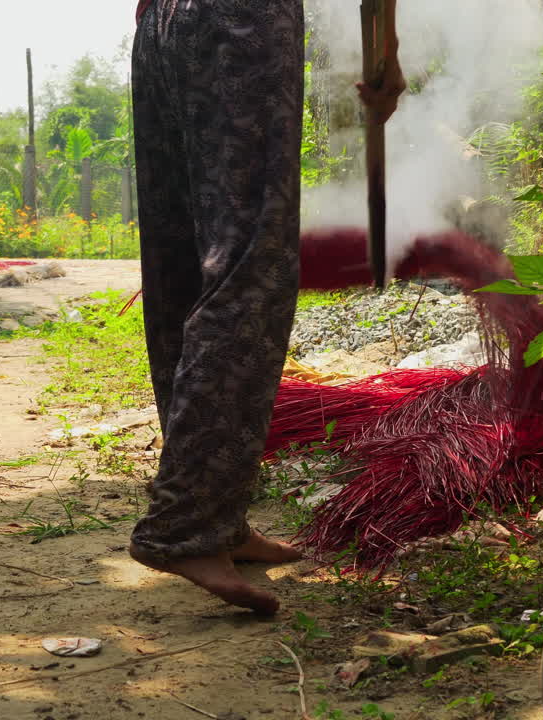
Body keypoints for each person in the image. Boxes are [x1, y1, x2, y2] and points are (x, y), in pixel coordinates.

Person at [128, 0, 406, 615]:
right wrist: (387, 50)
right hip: (241, 23)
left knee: (182, 267)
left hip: (161, 25)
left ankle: (216, 520)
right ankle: (186, 525)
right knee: (250, 268)